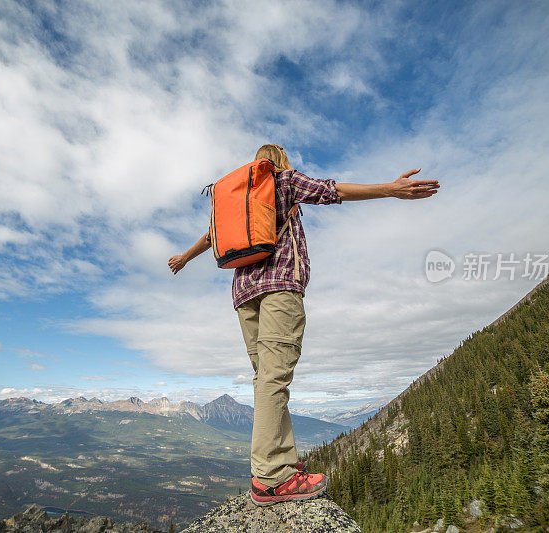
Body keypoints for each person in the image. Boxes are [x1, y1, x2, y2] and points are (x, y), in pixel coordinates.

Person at [167, 144, 439, 506]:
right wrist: (389, 189)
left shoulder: (240, 200)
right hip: (280, 287)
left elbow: (211, 235)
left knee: (265, 377)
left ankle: (279, 458)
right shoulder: (283, 181)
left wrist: (185, 257)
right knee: (274, 378)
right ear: (279, 161)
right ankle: (271, 478)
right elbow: (333, 190)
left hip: (244, 295)